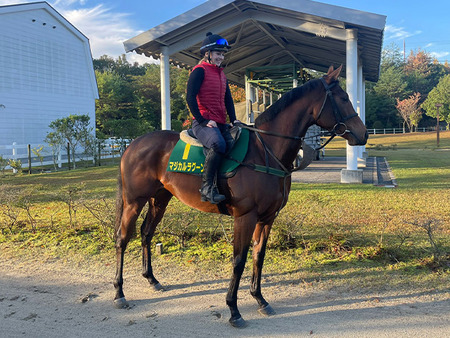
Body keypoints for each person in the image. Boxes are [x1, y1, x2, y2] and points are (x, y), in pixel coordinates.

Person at [186, 32, 240, 204]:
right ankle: (207, 188)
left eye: (223, 54)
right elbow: (190, 97)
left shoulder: (221, 74)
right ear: (208, 54)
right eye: (218, 53)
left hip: (220, 122)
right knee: (218, 144)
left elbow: (228, 99)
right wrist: (202, 120)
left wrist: (234, 119)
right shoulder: (199, 71)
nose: (221, 57)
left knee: (238, 138)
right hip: (203, 123)